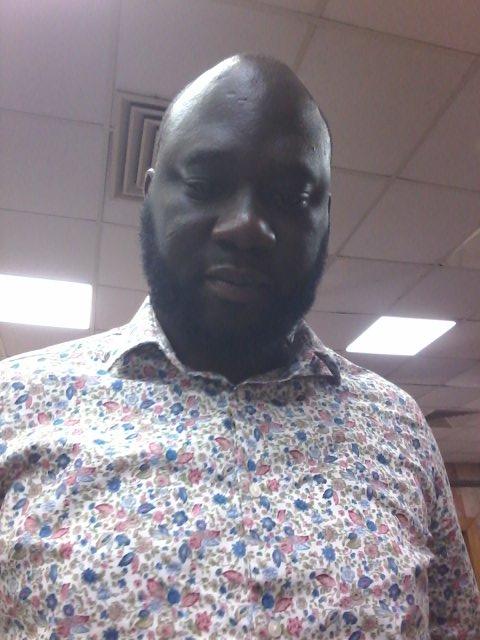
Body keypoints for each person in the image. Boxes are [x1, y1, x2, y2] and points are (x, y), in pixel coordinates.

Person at [0, 53, 478, 640]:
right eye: (205, 185)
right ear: (149, 197)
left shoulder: (399, 430)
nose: (248, 225)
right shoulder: (16, 407)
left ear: (326, 220)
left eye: (290, 196)